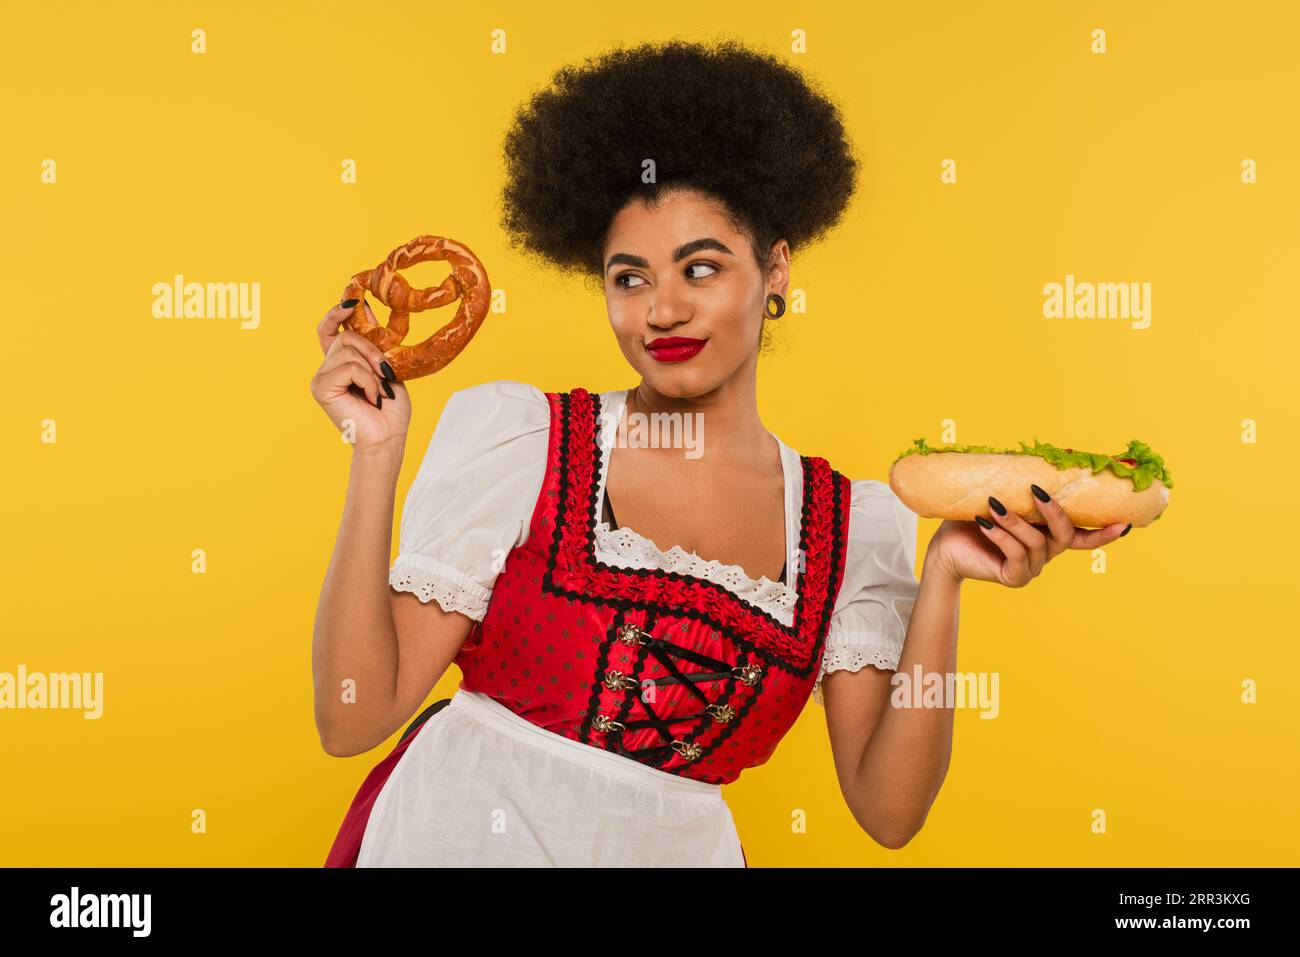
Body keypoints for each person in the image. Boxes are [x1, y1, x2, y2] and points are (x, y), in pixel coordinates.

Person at [310, 39, 1131, 867]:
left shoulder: (849, 529)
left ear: (775, 271)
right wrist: (375, 450)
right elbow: (352, 717)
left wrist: (947, 576)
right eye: (628, 279)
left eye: (700, 268)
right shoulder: (526, 443)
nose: (661, 310)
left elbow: (890, 811)